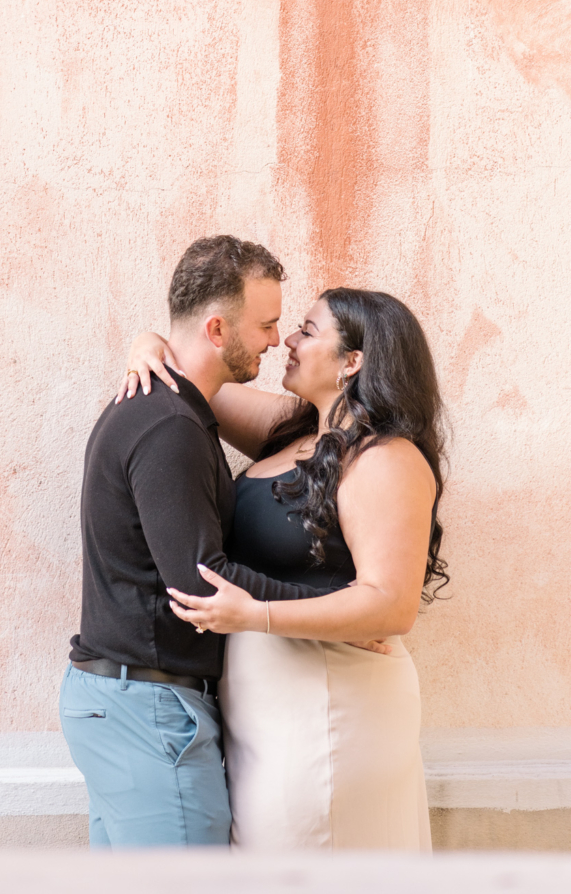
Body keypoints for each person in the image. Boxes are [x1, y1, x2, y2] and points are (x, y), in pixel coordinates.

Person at [120, 284, 449, 851]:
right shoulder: (294, 431)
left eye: (307, 330)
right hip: (264, 719)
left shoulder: (384, 458)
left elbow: (392, 604)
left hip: (330, 709)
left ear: (353, 362)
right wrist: (144, 345)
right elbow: (189, 372)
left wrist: (256, 614)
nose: (287, 342)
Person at [62, 234, 353, 848]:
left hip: (124, 700)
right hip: (149, 709)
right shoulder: (169, 425)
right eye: (267, 325)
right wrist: (334, 608)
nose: (277, 341)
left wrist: (149, 341)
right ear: (217, 330)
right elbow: (199, 582)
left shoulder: (170, 408)